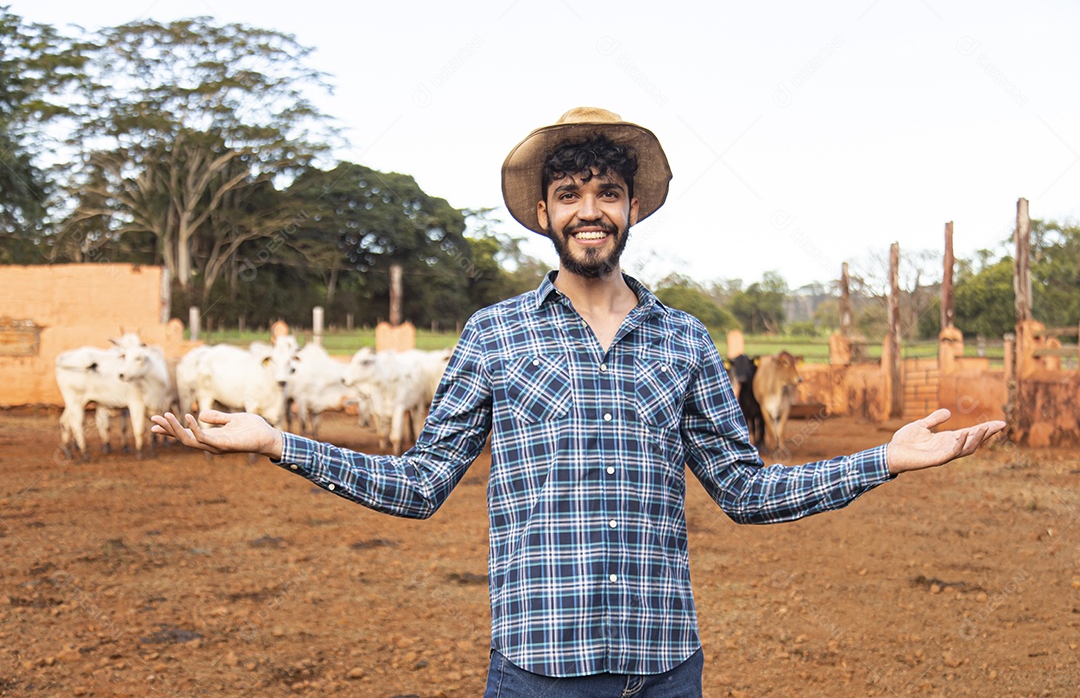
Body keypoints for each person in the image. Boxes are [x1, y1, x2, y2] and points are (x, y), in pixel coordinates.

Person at [152, 107, 1006, 697]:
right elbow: (417, 487)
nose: (589, 210)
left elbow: (745, 494)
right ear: (544, 212)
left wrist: (883, 459)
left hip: (664, 667)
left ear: (632, 207)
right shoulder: (494, 337)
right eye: (571, 195)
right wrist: (278, 442)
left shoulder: (685, 341)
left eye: (606, 193)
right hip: (535, 672)